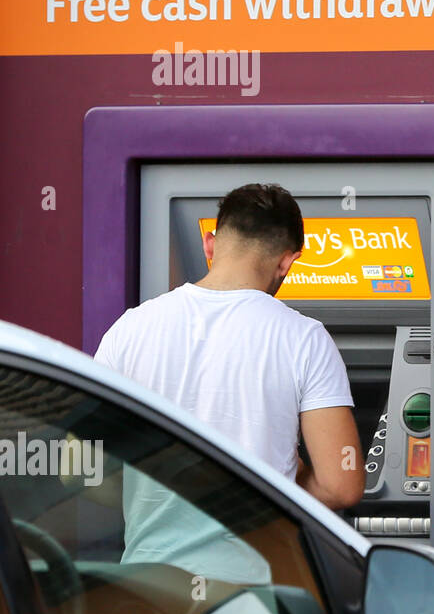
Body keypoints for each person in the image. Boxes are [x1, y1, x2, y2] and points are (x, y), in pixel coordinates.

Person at [94, 183, 363, 584]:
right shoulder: (304, 338)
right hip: (255, 591)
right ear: (288, 262)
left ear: (210, 243)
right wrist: (276, 481)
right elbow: (340, 486)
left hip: (149, 587)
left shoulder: (129, 328)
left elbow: (82, 467)